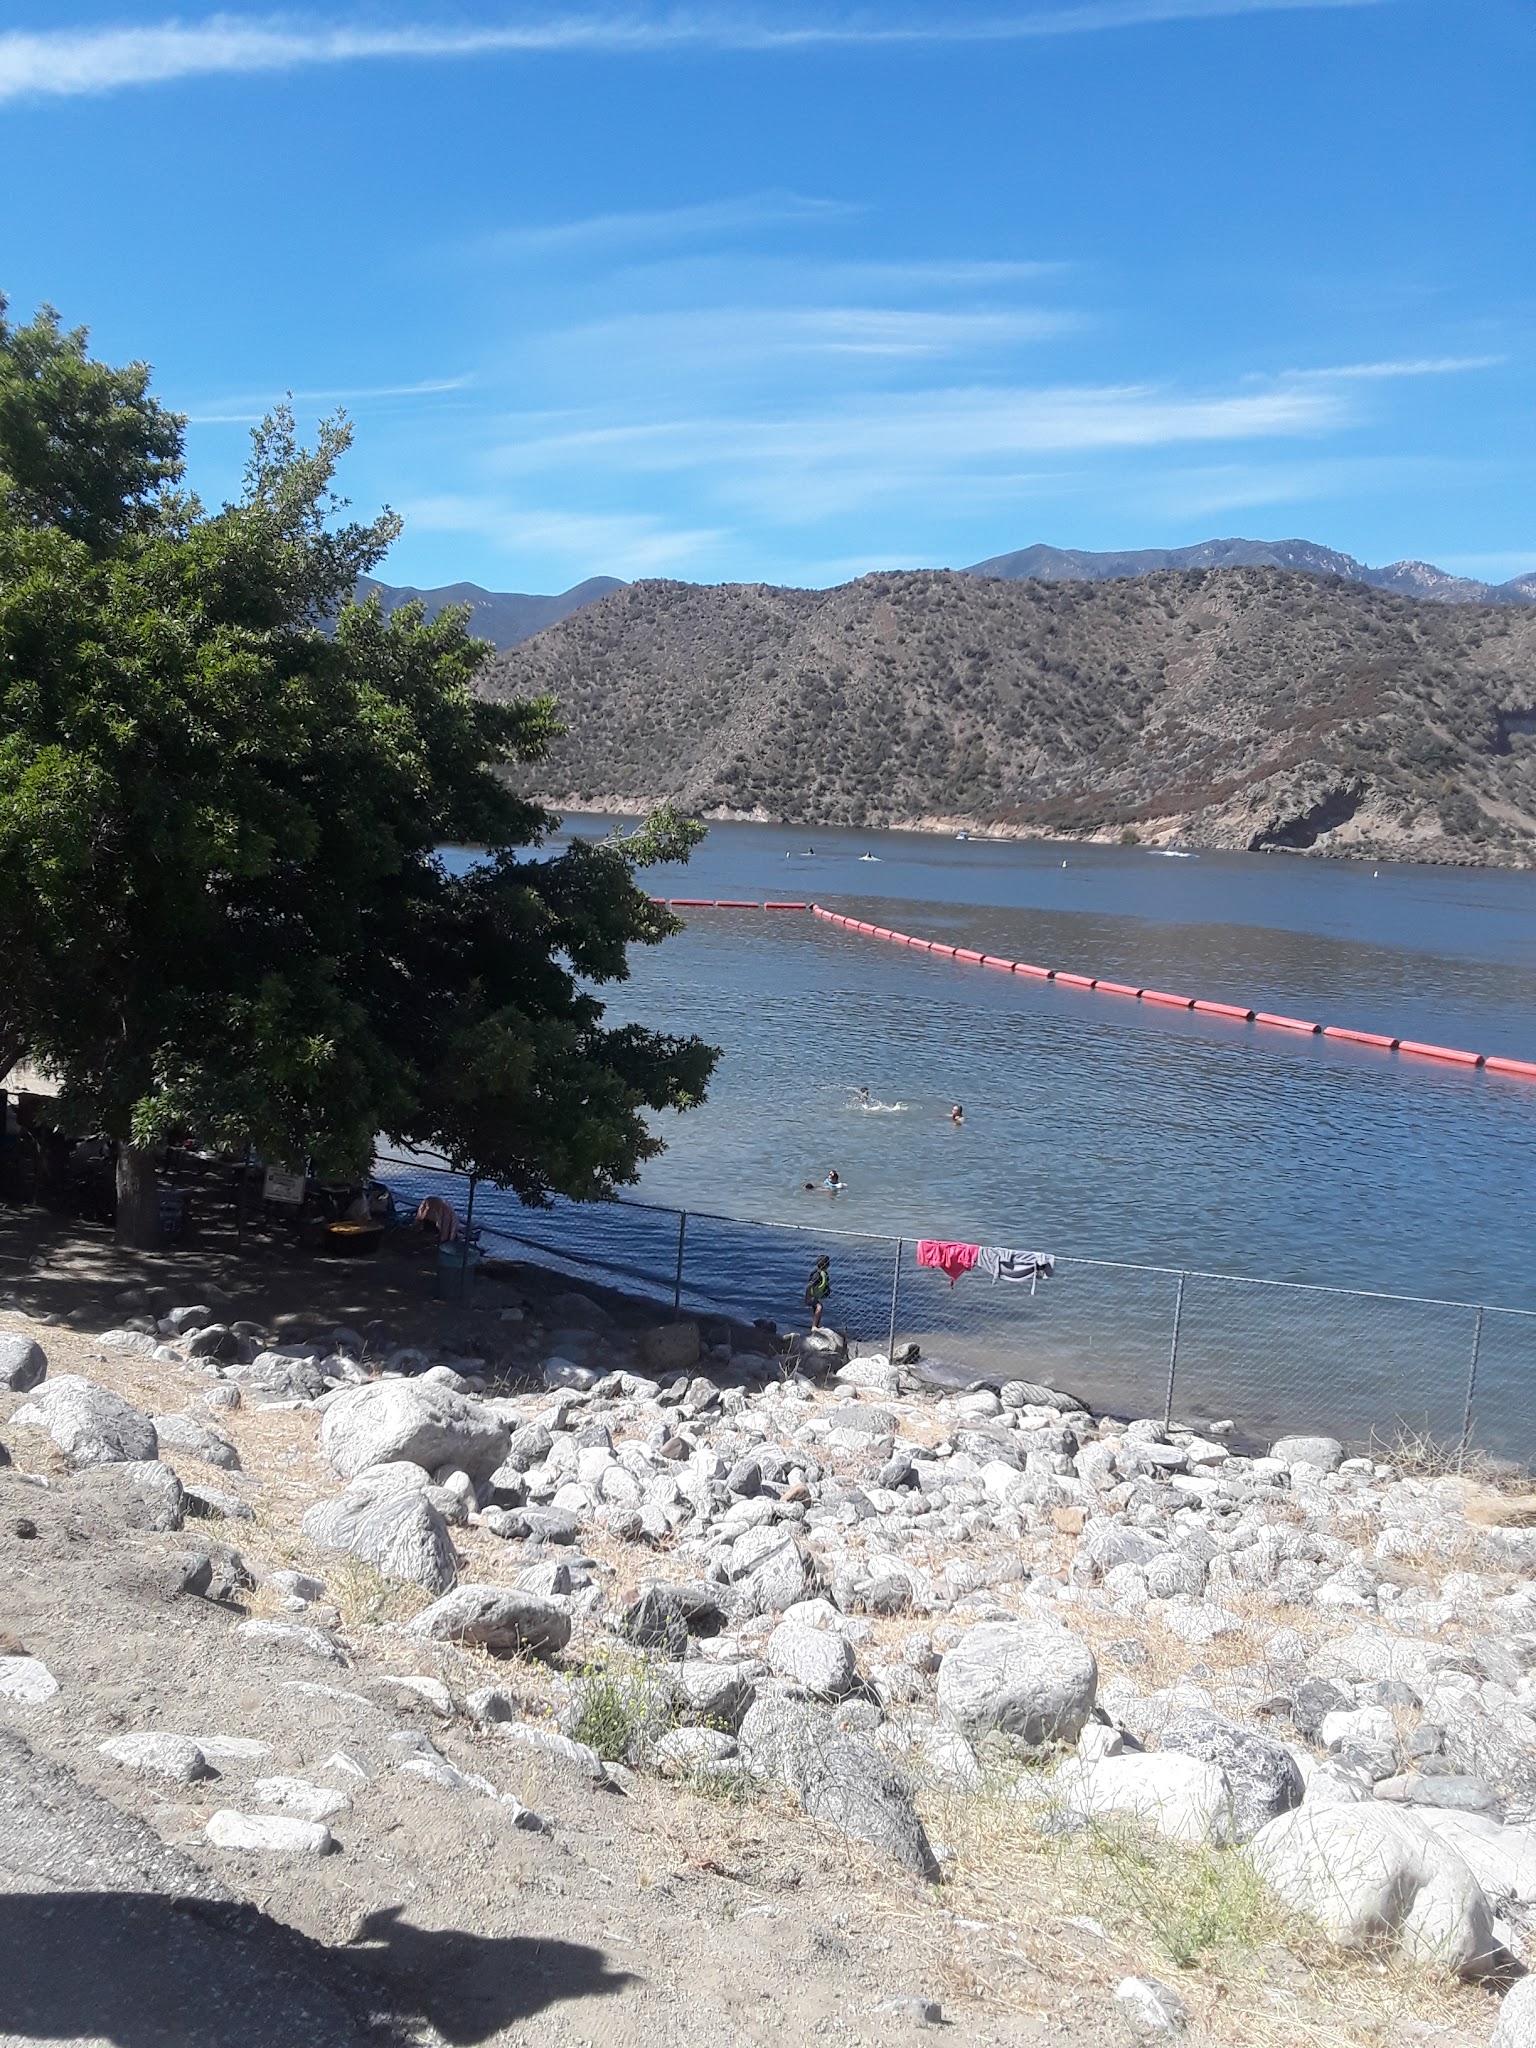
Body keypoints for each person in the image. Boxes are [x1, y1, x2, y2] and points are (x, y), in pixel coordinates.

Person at [803, 1254, 832, 1330]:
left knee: (816, 1310)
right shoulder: (817, 1275)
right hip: (811, 1296)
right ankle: (814, 1327)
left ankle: (815, 1325)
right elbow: (809, 1286)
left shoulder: (823, 1274)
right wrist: (807, 1298)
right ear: (827, 1265)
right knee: (819, 1307)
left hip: (814, 1296)